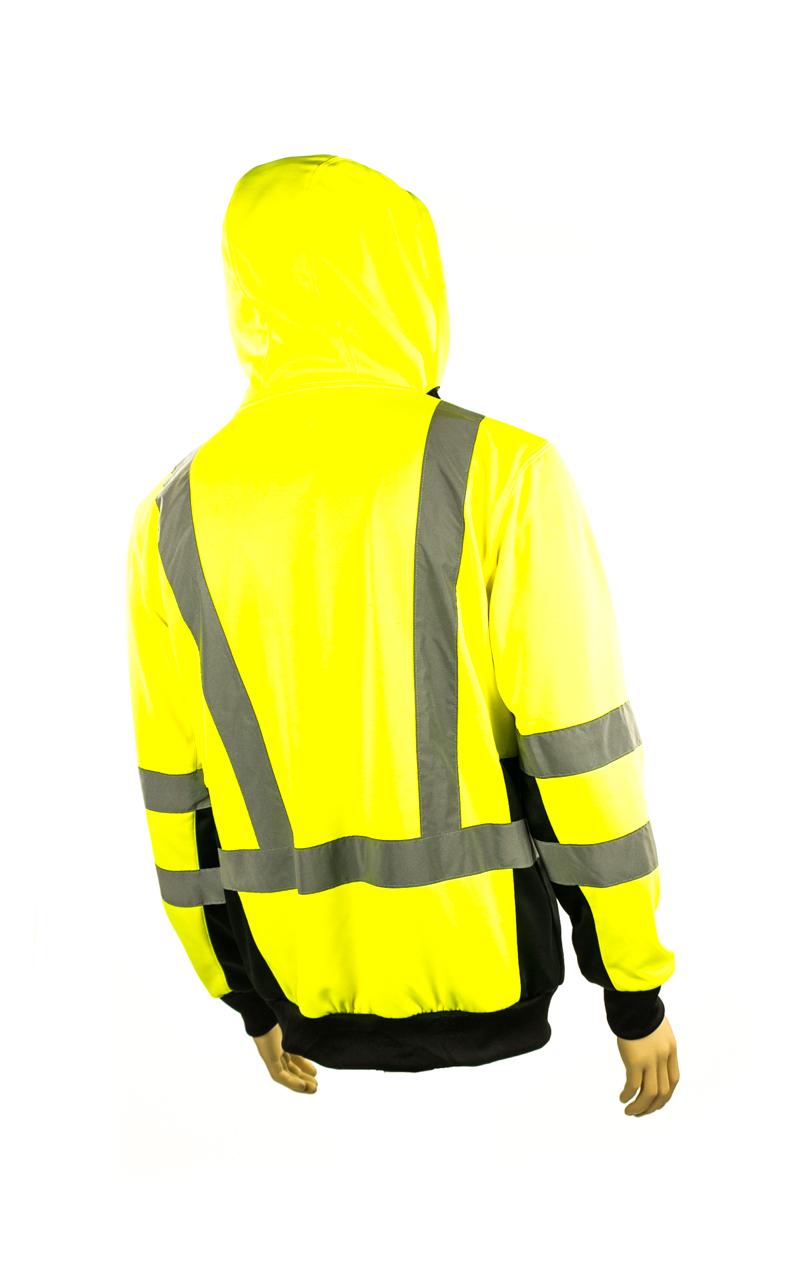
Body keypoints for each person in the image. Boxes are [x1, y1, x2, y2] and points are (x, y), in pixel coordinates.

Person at [126, 153, 678, 1117]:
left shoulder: (171, 513)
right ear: (409, 277)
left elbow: (179, 797)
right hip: (494, 970)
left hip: (297, 986)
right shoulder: (501, 469)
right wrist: (632, 989)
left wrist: (246, 999)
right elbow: (581, 757)